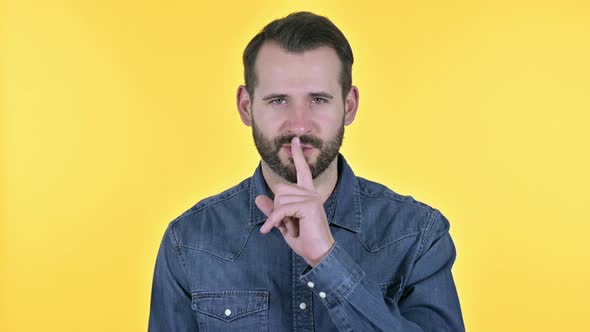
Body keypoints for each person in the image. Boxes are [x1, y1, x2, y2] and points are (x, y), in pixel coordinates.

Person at [148, 11, 465, 331]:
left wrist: (328, 260)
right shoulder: (188, 241)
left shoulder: (419, 234)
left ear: (349, 105)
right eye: (277, 100)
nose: (298, 125)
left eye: (318, 99)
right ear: (246, 107)